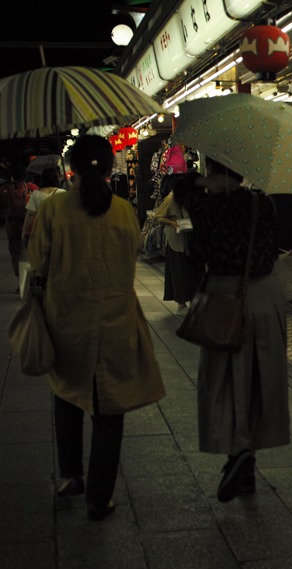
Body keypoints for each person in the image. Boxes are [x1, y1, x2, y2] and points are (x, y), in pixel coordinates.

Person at [27, 135, 166, 521]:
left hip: (65, 321)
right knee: (109, 410)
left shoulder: (55, 208)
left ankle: (71, 475)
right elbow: (132, 256)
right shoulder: (123, 210)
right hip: (117, 321)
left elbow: (37, 260)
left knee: (67, 394)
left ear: (70, 167)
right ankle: (99, 498)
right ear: (109, 169)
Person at [174, 158, 290, 503]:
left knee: (227, 380)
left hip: (225, 300)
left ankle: (238, 452)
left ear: (211, 170)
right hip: (266, 297)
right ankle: (248, 466)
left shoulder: (204, 202)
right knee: (258, 379)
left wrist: (202, 184)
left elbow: (178, 187)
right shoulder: (262, 202)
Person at [153, 174, 205, 316]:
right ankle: (181, 305)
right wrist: (172, 223)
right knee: (180, 272)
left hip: (192, 239)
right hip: (177, 241)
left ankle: (195, 302)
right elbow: (157, 217)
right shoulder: (171, 199)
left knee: (195, 272)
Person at [0, 165, 38, 290]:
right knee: (32, 255)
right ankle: (33, 281)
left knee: (17, 256)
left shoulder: (4, 189)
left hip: (13, 228)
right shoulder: (33, 188)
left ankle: (22, 284)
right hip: (31, 227)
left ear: (11, 176)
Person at [23, 167, 63, 245]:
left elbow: (30, 214)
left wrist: (24, 231)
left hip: (41, 232)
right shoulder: (62, 193)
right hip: (58, 231)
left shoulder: (35, 194)